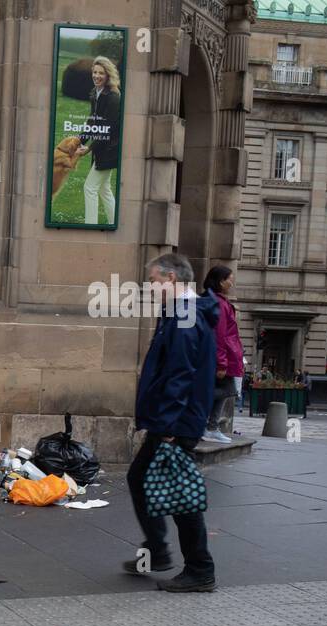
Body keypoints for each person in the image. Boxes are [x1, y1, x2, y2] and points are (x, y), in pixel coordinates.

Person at [124, 253, 219, 592]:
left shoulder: (184, 316)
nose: (150, 287)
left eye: (154, 281)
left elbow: (180, 374)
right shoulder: (179, 314)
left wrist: (165, 428)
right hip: (176, 421)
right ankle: (159, 549)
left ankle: (198, 568)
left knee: (178, 496)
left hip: (176, 424)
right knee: (145, 480)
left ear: (172, 279)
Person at [75, 56, 122, 226]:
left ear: (108, 75)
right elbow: (93, 121)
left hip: (109, 150)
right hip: (102, 148)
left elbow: (107, 129)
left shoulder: (114, 97)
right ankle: (113, 223)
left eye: (101, 73)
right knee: (104, 189)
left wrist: (87, 149)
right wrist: (79, 140)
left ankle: (90, 227)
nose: (96, 76)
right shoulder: (95, 93)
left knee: (90, 187)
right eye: (94, 72)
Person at [202, 266, 242, 444]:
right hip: (221, 358)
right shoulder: (218, 303)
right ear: (220, 281)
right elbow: (220, 335)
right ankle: (210, 427)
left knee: (222, 391)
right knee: (223, 391)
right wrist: (222, 363)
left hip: (224, 356)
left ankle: (209, 426)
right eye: (229, 279)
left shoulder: (217, 301)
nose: (231, 283)